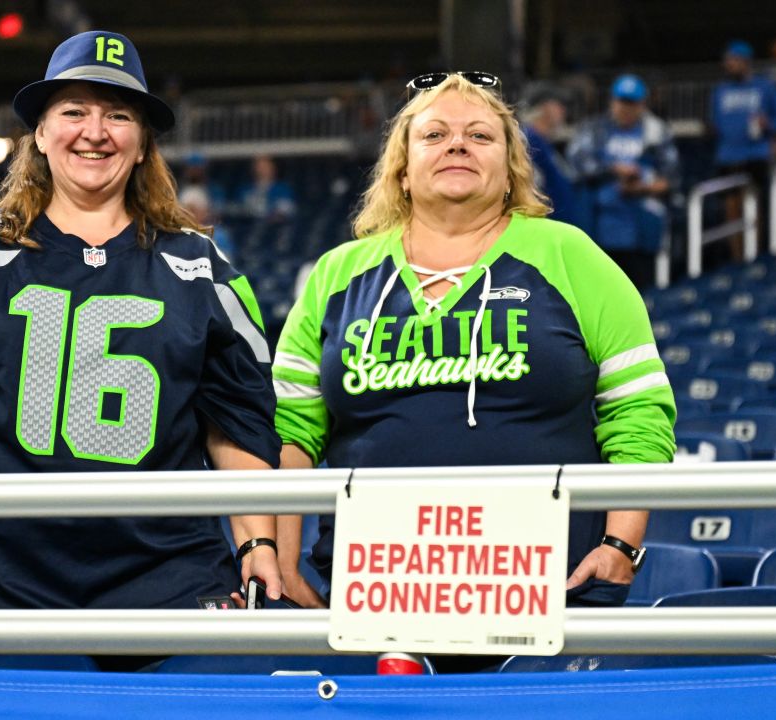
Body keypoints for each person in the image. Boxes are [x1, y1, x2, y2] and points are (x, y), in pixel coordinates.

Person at [0, 30, 284, 626]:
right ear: (39, 134)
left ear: (143, 143)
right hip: (3, 571)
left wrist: (257, 542)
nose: (94, 132)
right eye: (73, 111)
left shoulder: (202, 270)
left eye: (118, 115)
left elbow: (238, 421)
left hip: (165, 572)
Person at [271, 72, 676, 623]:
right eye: (434, 135)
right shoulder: (336, 275)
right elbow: (290, 429)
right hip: (379, 591)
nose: (458, 144)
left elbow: (637, 410)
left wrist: (621, 545)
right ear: (402, 170)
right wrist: (285, 557)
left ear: (511, 170)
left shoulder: (571, 256)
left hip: (547, 591)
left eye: (480, 136)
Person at [567, 74, 679, 289]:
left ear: (642, 104)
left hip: (642, 228)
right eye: (622, 102)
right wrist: (614, 169)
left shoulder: (656, 132)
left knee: (641, 294)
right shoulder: (594, 129)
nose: (626, 109)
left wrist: (641, 187)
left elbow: (671, 179)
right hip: (599, 229)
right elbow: (576, 166)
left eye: (633, 103)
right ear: (612, 101)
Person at [710, 40, 776, 259]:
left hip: (756, 155)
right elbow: (715, 124)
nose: (729, 65)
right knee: (731, 211)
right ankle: (738, 259)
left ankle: (755, 256)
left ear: (745, 62)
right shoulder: (720, 91)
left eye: (734, 60)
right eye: (728, 60)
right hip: (727, 157)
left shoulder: (766, 88)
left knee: (753, 208)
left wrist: (768, 125)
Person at [519, 83, 583, 230]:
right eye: (559, 105)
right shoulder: (527, 141)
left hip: (557, 229)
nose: (564, 110)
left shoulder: (542, 141)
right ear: (546, 108)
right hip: (543, 230)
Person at [235, 154, 296, 221]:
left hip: (273, 226)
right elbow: (238, 210)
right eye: (258, 166)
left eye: (265, 166)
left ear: (273, 168)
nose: (261, 169)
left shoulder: (283, 189)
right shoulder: (244, 189)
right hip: (248, 224)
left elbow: (284, 210)